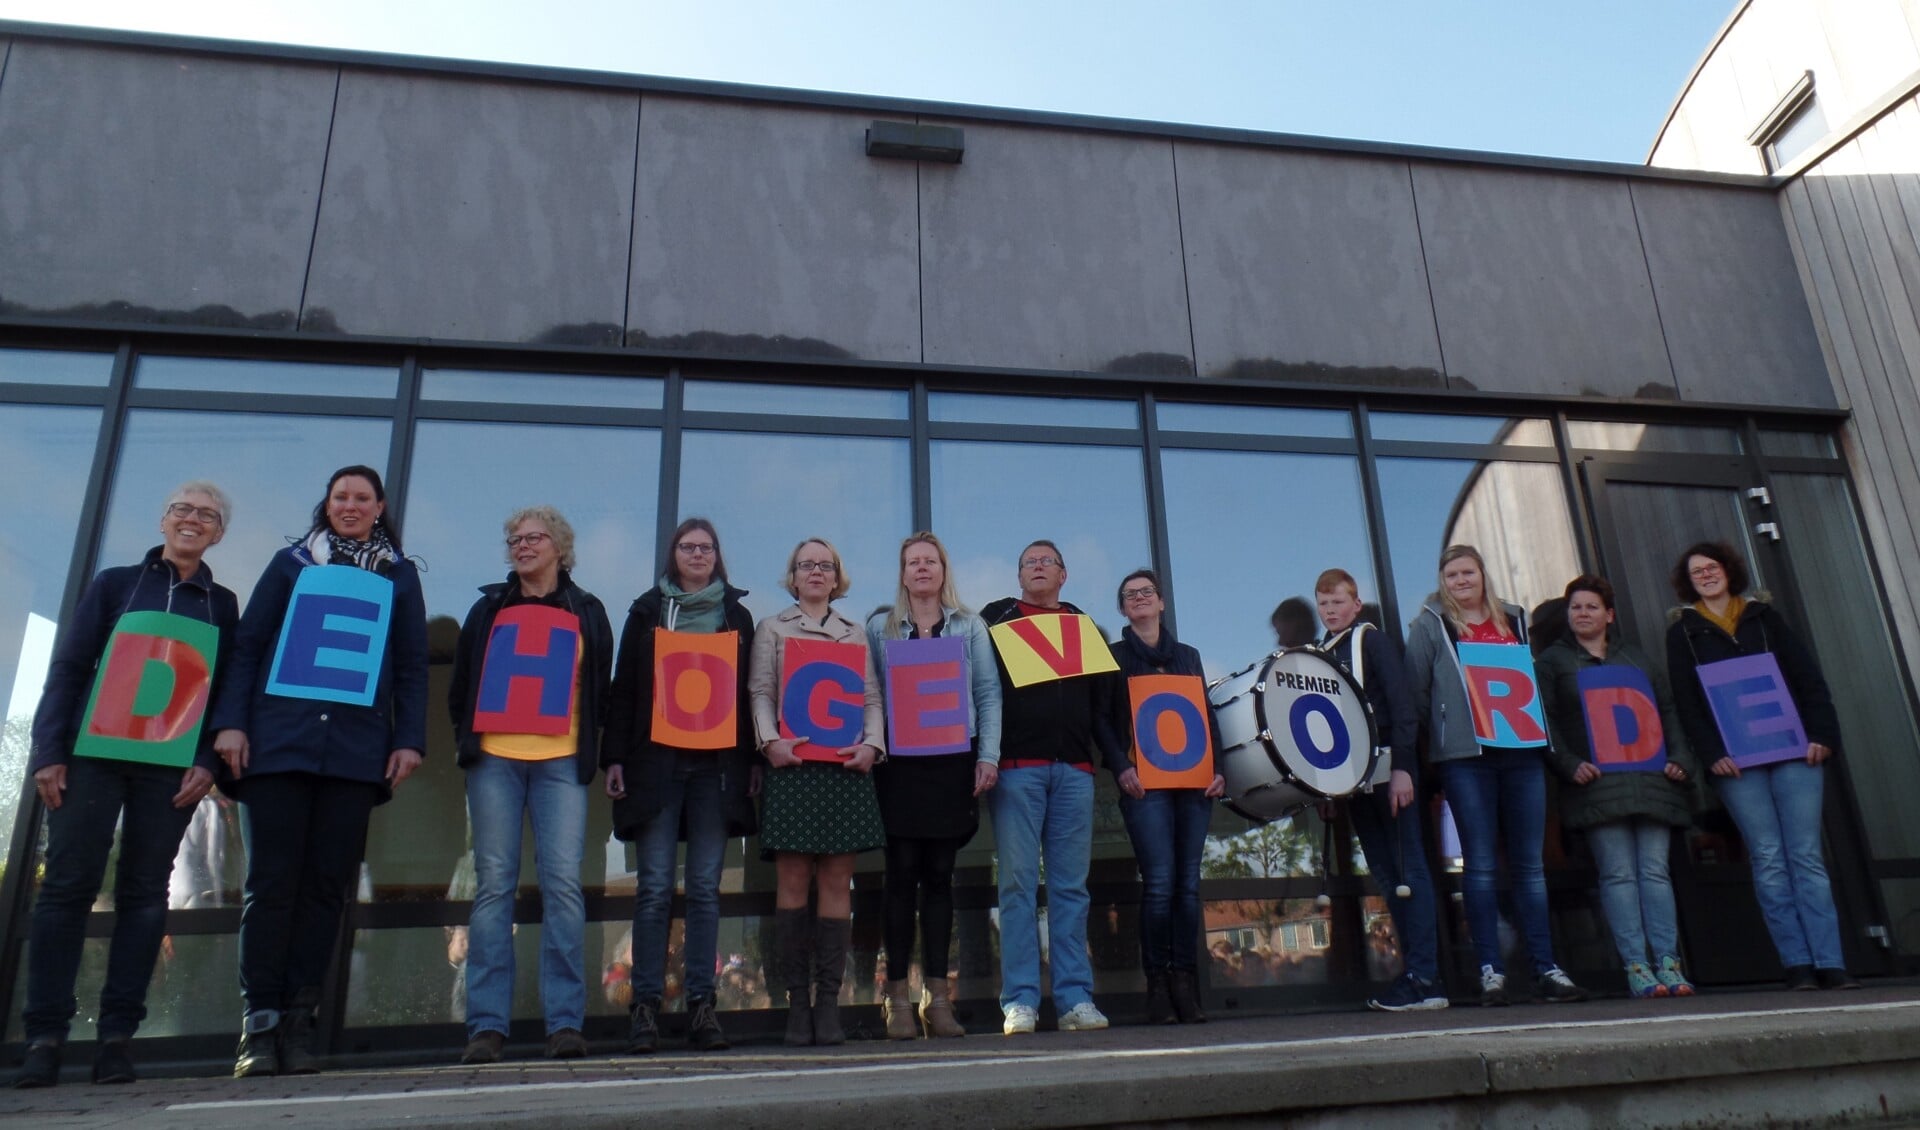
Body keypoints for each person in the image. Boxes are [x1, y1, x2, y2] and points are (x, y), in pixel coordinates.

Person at [12, 484, 240, 1088]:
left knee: (145, 897)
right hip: (93, 757)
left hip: (168, 768)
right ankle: (45, 1037)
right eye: (183, 510)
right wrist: (48, 752)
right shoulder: (115, 584)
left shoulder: (223, 603)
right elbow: (68, 667)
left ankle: (117, 1037)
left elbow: (224, 690)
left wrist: (207, 763)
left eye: (208, 516)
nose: (193, 520)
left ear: (219, 534)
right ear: (164, 519)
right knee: (66, 889)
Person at [211, 465, 429, 1076]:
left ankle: (302, 1020)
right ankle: (260, 1023)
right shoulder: (291, 565)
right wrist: (231, 723)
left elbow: (412, 664)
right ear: (327, 504)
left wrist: (408, 739)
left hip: (355, 756)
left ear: (380, 506)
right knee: (271, 886)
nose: (351, 506)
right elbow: (249, 644)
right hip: (277, 747)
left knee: (327, 889)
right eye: (341, 498)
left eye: (363, 498)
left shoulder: (399, 576)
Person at [448, 506, 614, 1063]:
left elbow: (600, 695)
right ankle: (486, 1027)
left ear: (559, 547)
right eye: (515, 539)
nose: (522, 546)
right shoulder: (488, 608)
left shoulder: (587, 610)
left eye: (534, 538)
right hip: (494, 758)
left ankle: (565, 1023)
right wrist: (464, 740)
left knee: (563, 887)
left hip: (562, 761)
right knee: (494, 886)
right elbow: (462, 684)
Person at [1664, 542, 1857, 991]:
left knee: (1805, 857)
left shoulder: (1765, 618)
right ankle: (1798, 966)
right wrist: (1712, 755)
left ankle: (1831, 963)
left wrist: (1823, 736)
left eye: (1712, 567)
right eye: (1697, 572)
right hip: (1737, 765)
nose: (1707, 575)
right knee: (1768, 859)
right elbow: (1688, 704)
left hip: (1794, 752)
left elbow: (1808, 679)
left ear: (1729, 570)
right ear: (1688, 582)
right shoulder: (1684, 632)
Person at [1404, 544, 1586, 1006]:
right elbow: (1417, 695)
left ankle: (1546, 967)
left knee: (1529, 865)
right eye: (1451, 575)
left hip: (1522, 751)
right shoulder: (1430, 625)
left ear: (1483, 575)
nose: (1460, 581)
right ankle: (1491, 970)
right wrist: (1442, 738)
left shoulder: (1515, 618)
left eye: (1467, 572)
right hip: (1467, 759)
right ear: (1442, 581)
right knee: (1480, 864)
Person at [603, 517, 758, 1054]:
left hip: (715, 769)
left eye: (706, 547)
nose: (697, 555)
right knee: (652, 890)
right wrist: (615, 758)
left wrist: (752, 762)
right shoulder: (646, 613)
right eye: (688, 547)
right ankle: (644, 1006)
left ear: (718, 556)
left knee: (706, 891)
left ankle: (701, 1007)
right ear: (673, 555)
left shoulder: (736, 616)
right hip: (657, 768)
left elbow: (749, 694)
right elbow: (624, 690)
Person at [979, 540, 1128, 1035]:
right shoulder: (996, 620)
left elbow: (1104, 706)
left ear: (1064, 575)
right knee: (1018, 885)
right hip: (1017, 769)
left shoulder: (1083, 627)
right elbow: (978, 690)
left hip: (1075, 774)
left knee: (1070, 889)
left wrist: (1119, 762)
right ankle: (1019, 1001)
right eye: (1028, 562)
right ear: (1018, 574)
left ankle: (1074, 1000)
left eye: (1047, 561)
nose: (1037, 567)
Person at [749, 537, 887, 1046]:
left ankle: (828, 1005)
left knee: (836, 881)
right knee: (791, 880)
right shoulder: (772, 628)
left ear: (836, 577)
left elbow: (871, 697)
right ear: (792, 575)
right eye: (805, 565)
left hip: (845, 767)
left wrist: (872, 744)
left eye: (824, 566)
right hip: (793, 765)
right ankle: (797, 1005)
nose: (815, 572)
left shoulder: (855, 633)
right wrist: (770, 742)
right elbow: (761, 693)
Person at [865, 532, 1002, 1039]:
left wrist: (987, 756)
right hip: (899, 766)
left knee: (941, 878)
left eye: (930, 561)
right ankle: (896, 999)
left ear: (943, 570)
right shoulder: (881, 628)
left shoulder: (971, 626)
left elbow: (987, 693)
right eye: (912, 562)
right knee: (900, 877)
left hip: (952, 761)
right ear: (902, 573)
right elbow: (871, 694)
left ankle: (938, 1000)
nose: (922, 569)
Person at [1538, 574, 1698, 999]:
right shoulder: (1553, 662)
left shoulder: (1637, 659)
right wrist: (1569, 764)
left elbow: (1668, 710)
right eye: (1575, 607)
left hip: (1651, 783)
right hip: (1599, 788)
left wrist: (1681, 758)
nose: (1583, 613)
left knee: (1654, 874)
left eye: (1591, 606)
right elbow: (1545, 722)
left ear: (1609, 615)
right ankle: (1637, 967)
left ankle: (1669, 962)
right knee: (1619, 875)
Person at [1312, 568, 1448, 1012]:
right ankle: (1414, 975)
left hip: (1390, 770)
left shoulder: (1372, 641)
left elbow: (1403, 706)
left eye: (1338, 602)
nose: (1331, 610)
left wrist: (1406, 769)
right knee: (1389, 878)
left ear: (1356, 605)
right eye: (1324, 604)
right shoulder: (1319, 655)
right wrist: (1327, 791)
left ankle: (1426, 978)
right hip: (1354, 780)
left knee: (1410, 872)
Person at [1107, 569, 1224, 1024]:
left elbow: (1206, 716)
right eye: (1129, 595)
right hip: (1145, 786)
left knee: (1187, 885)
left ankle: (1185, 983)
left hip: (1194, 784)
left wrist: (1219, 770)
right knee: (1158, 886)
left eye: (1146, 592)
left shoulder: (1189, 656)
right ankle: (1157, 984)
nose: (1139, 599)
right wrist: (1121, 766)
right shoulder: (1114, 658)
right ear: (1122, 609)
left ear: (1161, 603)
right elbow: (1103, 719)